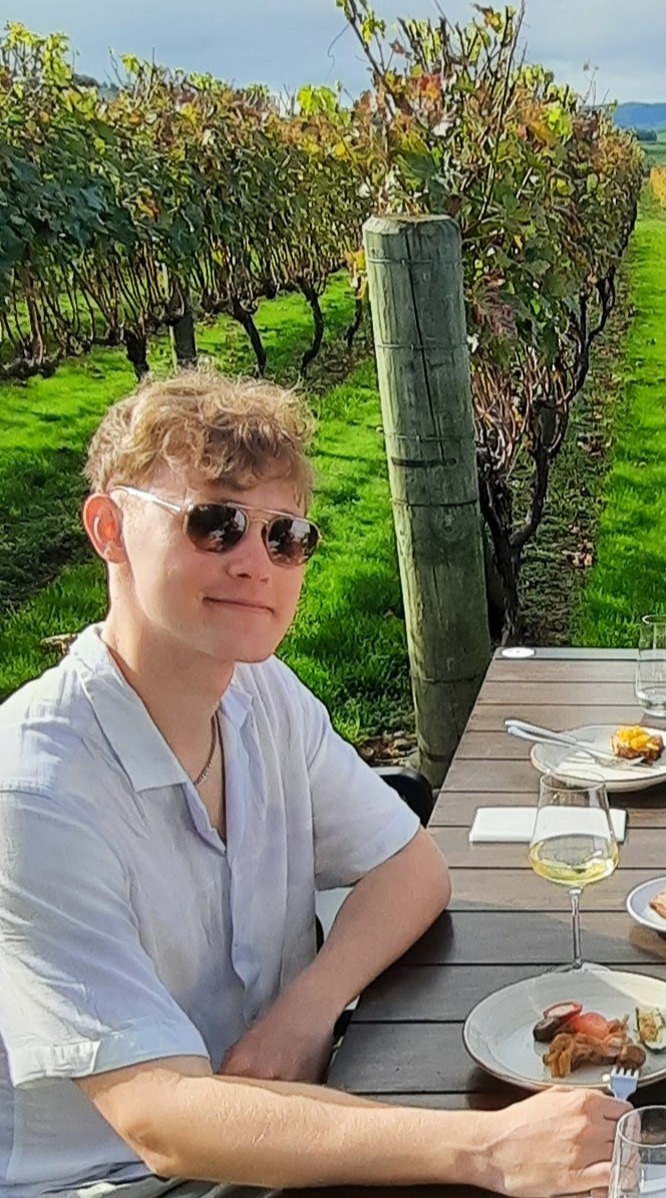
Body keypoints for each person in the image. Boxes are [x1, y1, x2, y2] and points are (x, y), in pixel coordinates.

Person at [0, 373, 626, 1198]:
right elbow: (159, 1117)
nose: (256, 563)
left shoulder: (262, 696)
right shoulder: (36, 791)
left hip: (291, 1129)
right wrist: (487, 1149)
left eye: (286, 536)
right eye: (215, 523)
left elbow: (412, 870)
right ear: (109, 529)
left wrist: (309, 1007)